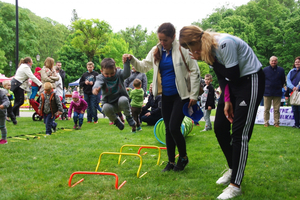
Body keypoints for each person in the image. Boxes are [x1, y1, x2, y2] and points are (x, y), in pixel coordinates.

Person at [179, 25, 265, 199]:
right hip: (234, 86)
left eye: (189, 47)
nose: (191, 52)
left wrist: (206, 60)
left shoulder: (224, 44)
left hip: (250, 81)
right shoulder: (209, 51)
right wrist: (226, 100)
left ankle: (236, 184)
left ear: (195, 41)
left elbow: (232, 73)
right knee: (219, 127)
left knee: (240, 134)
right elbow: (223, 78)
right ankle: (233, 169)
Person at [123, 22, 201, 172]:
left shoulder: (182, 49)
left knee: (174, 127)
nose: (162, 43)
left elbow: (195, 70)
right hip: (165, 95)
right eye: (160, 40)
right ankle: (171, 161)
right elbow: (143, 66)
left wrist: (194, 94)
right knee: (167, 129)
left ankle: (183, 157)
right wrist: (132, 58)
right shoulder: (156, 50)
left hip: (181, 95)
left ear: (173, 37)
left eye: (165, 40)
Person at [92, 58, 136, 130]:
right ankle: (116, 121)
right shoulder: (100, 77)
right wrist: (95, 89)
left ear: (115, 69)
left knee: (123, 99)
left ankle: (129, 117)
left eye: (112, 73)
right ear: (101, 71)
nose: (109, 76)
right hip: (109, 104)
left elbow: (127, 73)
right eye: (106, 74)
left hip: (121, 102)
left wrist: (126, 62)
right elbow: (97, 83)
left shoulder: (119, 73)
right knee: (105, 108)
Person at [263, 56, 285, 128]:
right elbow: (262, 81)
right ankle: (266, 122)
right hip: (267, 92)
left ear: (277, 61)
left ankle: (276, 123)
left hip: (277, 92)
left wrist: (279, 87)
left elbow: (283, 81)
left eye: (275, 61)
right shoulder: (265, 70)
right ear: (269, 61)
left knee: (276, 109)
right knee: (266, 109)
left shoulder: (281, 70)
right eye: (272, 61)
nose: (273, 62)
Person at [286, 56, 300, 128]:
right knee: (294, 108)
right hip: (293, 92)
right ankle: (296, 123)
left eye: (298, 62)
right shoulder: (291, 71)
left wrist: (297, 87)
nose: (297, 63)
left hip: (299, 92)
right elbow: (288, 81)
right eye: (296, 62)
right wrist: (292, 87)